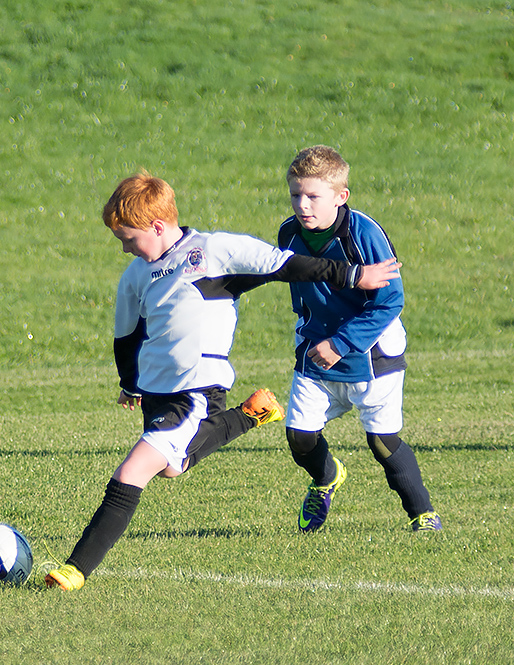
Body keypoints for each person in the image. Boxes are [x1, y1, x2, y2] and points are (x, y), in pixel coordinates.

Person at [45, 172, 401, 591]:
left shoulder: (212, 250)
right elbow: (127, 338)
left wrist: (353, 276)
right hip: (158, 397)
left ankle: (75, 569)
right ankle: (252, 414)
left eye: (129, 238)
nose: (124, 247)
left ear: (157, 226)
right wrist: (130, 383)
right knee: (171, 468)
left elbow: (284, 265)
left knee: (131, 472)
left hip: (194, 393)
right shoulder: (135, 277)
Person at [278, 145, 441, 533]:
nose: (303, 205)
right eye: (296, 194)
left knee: (382, 442)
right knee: (299, 437)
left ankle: (423, 514)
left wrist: (341, 342)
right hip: (316, 352)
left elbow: (390, 300)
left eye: (314, 196)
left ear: (341, 196)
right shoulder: (288, 232)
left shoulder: (363, 233)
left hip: (371, 354)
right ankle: (326, 477)